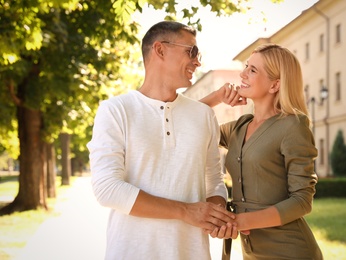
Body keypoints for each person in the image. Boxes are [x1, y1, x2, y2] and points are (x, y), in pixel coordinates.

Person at [87, 21, 236, 260]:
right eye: (192, 51)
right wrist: (186, 212)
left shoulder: (203, 115)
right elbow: (108, 189)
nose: (198, 61)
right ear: (160, 50)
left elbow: (214, 181)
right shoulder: (115, 110)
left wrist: (215, 213)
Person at [201, 44, 323, 259]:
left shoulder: (293, 126)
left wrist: (238, 221)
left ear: (275, 85)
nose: (242, 74)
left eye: (252, 70)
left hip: (291, 251)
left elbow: (302, 200)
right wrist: (215, 98)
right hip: (251, 252)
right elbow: (187, 127)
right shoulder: (239, 126)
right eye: (246, 67)